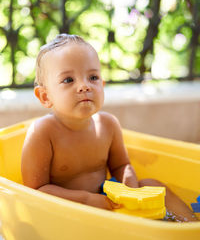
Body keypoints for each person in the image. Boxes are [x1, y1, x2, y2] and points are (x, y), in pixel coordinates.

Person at [21, 34, 197, 221]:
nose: (84, 86)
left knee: (151, 185)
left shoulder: (108, 125)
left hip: (105, 200)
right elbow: (36, 192)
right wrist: (85, 200)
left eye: (93, 77)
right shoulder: (43, 132)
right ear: (45, 97)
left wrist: (128, 186)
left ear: (102, 85)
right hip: (68, 212)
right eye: (68, 80)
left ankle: (189, 227)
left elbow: (121, 165)